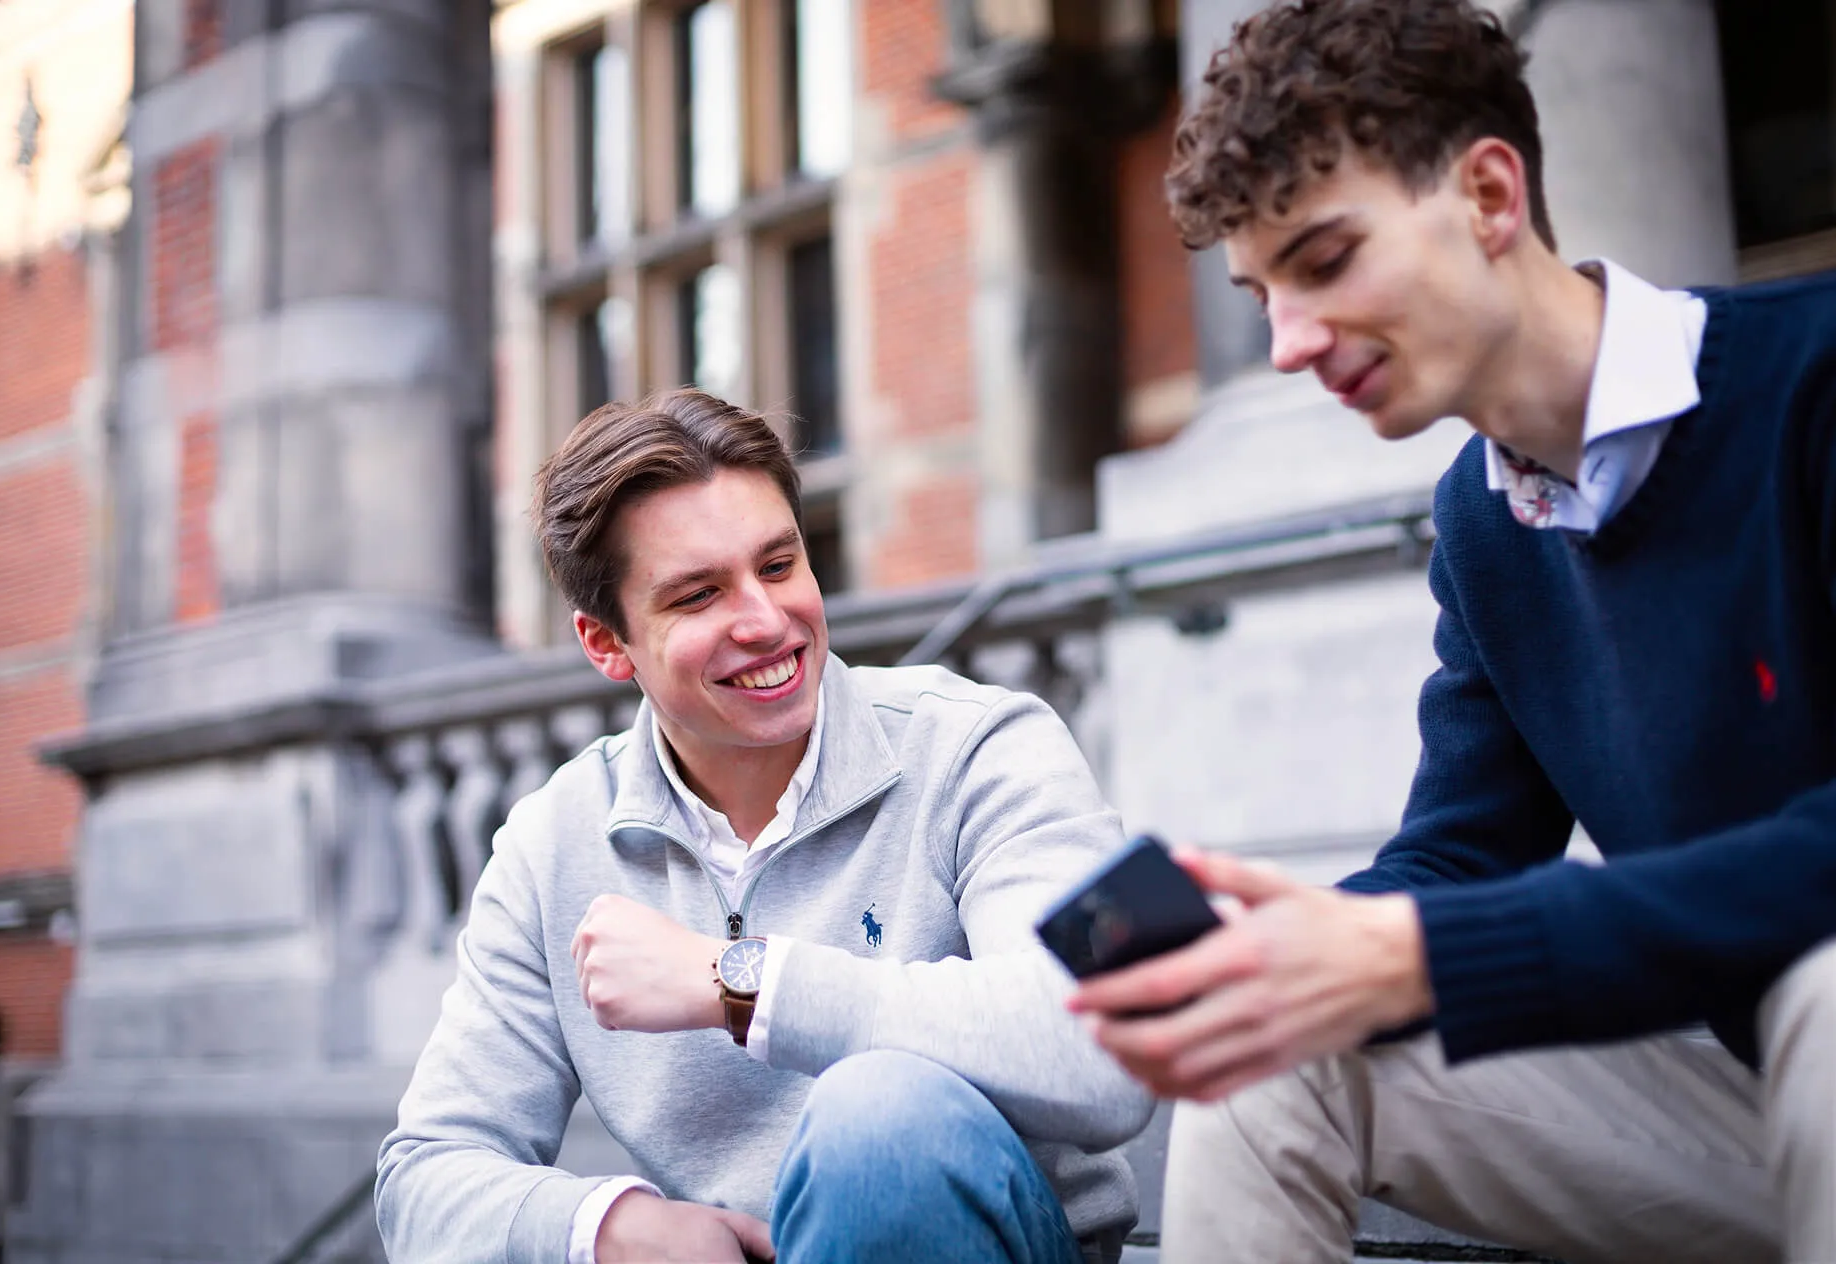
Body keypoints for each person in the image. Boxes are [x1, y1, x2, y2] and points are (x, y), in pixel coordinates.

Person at [1066, 2, 1836, 1261]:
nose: (1286, 345)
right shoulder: (1485, 522)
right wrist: (1279, 949)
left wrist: (1416, 950)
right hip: (1764, 1125)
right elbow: (1461, 854)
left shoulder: (1813, 383)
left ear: (1487, 195)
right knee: (1278, 1047)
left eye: (1324, 261)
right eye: (1260, 295)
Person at [375, 388, 1152, 1264]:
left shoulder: (985, 744)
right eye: (698, 595)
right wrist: (611, 1228)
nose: (765, 620)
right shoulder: (550, 843)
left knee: (881, 1117)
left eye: (779, 566)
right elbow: (424, 1180)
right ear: (606, 643)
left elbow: (1108, 1050)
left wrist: (739, 983)